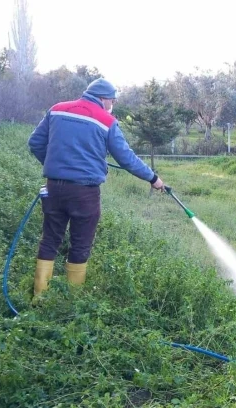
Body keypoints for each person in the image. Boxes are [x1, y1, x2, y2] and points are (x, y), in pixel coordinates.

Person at [28, 78, 164, 297]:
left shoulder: (57, 110)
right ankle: (72, 301)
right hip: (85, 193)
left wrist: (56, 166)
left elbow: (34, 143)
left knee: (50, 239)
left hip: (53, 188)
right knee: (80, 244)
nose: (113, 104)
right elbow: (126, 158)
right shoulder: (106, 121)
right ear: (103, 98)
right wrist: (153, 178)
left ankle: (39, 297)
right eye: (112, 100)